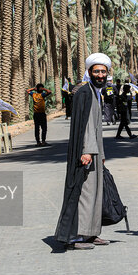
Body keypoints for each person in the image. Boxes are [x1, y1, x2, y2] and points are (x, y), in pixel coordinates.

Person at [55, 53, 112, 250]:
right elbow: (86, 126)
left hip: (95, 153)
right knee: (84, 193)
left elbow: (97, 128)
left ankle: (91, 233)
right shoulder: (84, 93)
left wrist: (101, 155)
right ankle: (76, 235)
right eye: (96, 71)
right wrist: (87, 151)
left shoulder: (95, 92)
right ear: (89, 72)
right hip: (86, 153)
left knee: (95, 193)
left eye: (103, 71)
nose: (100, 75)